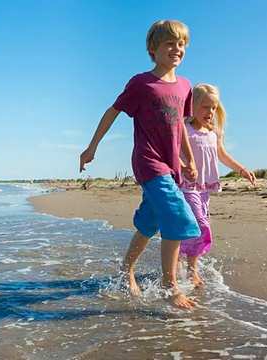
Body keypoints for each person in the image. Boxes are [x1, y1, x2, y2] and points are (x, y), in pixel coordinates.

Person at [79, 20, 201, 309]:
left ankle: (126, 269)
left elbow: (180, 126)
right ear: (153, 48)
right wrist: (91, 146)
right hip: (148, 162)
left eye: (181, 43)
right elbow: (113, 112)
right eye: (170, 43)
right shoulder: (141, 83)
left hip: (171, 166)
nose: (177, 48)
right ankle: (170, 286)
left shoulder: (185, 86)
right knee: (178, 217)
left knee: (151, 221)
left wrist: (189, 159)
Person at [178, 83, 257, 286]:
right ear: (193, 106)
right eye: (205, 107)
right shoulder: (184, 130)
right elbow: (172, 154)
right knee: (200, 226)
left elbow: (222, 155)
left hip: (206, 187)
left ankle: (186, 266)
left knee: (192, 227)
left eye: (213, 108)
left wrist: (241, 169)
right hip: (186, 186)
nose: (210, 112)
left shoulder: (214, 132)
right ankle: (184, 266)